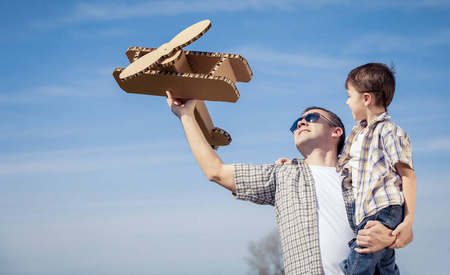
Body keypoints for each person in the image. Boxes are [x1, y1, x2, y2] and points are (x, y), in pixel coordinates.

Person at [166, 91, 412, 274]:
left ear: (336, 132)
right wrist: (186, 115)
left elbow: (398, 218)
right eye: (296, 123)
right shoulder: (283, 175)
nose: (301, 123)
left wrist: (392, 237)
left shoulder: (361, 173)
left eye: (312, 118)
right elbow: (215, 171)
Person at [337, 63, 417, 275]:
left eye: (349, 95)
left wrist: (408, 222)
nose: (346, 101)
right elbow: (339, 164)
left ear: (366, 99)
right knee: (383, 267)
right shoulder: (358, 134)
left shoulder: (390, 132)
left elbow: (408, 176)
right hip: (365, 213)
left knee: (357, 264)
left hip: (384, 208)